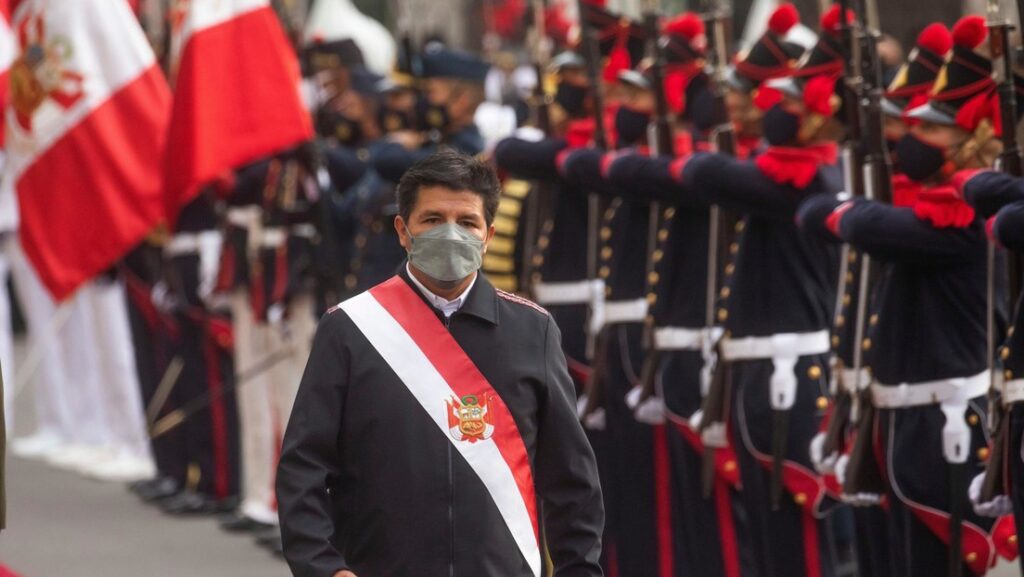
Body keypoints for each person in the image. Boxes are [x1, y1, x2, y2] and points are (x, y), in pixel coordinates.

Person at [276, 149, 604, 577]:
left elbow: (572, 480)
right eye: (432, 220)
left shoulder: (533, 330)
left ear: (488, 234)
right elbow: (304, 466)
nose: (451, 234)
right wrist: (324, 568)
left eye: (467, 222)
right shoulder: (351, 327)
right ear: (402, 229)